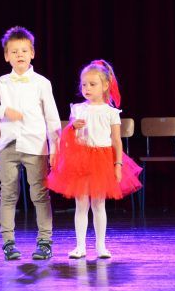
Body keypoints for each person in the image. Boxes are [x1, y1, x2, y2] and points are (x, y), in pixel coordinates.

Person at [46, 60, 142, 259]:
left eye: (92, 84)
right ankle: (80, 246)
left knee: (99, 205)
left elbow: (116, 141)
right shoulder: (78, 109)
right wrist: (72, 127)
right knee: (81, 204)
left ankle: (101, 246)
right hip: (80, 160)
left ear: (105, 85)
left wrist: (118, 164)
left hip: (102, 160)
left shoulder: (111, 112)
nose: (87, 88)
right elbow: (68, 136)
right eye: (84, 84)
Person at [0, 26, 61, 261]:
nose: (19, 55)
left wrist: (55, 147)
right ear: (6, 56)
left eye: (24, 50)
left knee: (39, 193)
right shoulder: (1, 83)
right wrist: (4, 110)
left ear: (32, 53)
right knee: (8, 193)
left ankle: (45, 241)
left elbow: (52, 117)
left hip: (35, 145)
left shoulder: (42, 83)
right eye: (14, 51)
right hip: (9, 145)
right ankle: (8, 242)